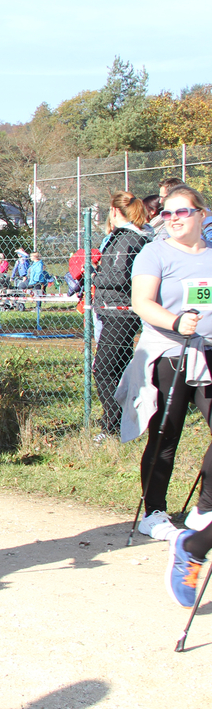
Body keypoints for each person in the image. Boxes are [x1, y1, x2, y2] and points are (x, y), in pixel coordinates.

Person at [118, 184, 212, 540]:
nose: (173, 218)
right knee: (165, 435)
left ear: (201, 214)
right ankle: (153, 512)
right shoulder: (154, 253)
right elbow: (142, 302)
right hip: (169, 353)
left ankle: (205, 509)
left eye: (182, 211)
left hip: (208, 353)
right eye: (167, 213)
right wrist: (175, 322)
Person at [91, 193, 149, 439]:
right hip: (114, 309)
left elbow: (121, 276)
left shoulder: (127, 239)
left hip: (120, 311)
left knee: (103, 370)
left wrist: (94, 276)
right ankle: (123, 420)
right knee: (117, 370)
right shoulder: (126, 237)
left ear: (114, 211)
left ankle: (113, 425)